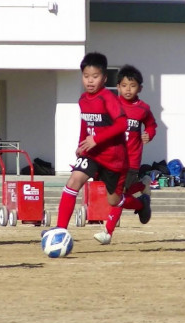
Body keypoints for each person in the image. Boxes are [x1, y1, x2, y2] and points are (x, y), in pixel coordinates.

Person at [45, 52, 151, 246]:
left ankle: (140, 203)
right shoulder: (83, 99)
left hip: (114, 158)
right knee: (73, 181)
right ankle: (60, 230)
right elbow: (86, 125)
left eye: (95, 77)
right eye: (86, 76)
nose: (90, 81)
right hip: (93, 154)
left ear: (104, 78)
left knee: (113, 201)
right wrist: (81, 145)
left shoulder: (108, 98)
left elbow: (121, 124)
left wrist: (97, 139)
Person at [116, 65, 157, 194]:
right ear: (118, 87)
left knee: (125, 191)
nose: (128, 89)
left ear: (140, 88)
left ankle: (142, 185)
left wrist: (149, 134)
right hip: (113, 157)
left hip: (132, 158)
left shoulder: (143, 108)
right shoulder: (112, 105)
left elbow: (151, 125)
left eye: (132, 86)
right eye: (124, 85)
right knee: (114, 192)